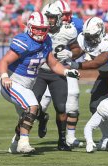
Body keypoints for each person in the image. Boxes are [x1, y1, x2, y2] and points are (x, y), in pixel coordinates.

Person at [0, 11, 79, 153]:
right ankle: (23, 143)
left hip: (27, 85)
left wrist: (67, 72)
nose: (41, 32)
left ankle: (15, 144)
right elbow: (3, 61)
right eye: (37, 29)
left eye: (43, 29)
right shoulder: (23, 41)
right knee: (33, 106)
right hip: (13, 82)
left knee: (28, 116)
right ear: (30, 27)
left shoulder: (47, 41)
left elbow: (53, 64)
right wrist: (4, 76)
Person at [32, 3, 81, 151]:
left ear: (59, 18)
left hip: (58, 72)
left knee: (61, 107)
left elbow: (77, 49)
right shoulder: (37, 28)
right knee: (31, 104)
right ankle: (42, 118)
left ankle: (62, 140)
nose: (50, 20)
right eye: (48, 17)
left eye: (52, 17)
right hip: (40, 71)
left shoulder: (69, 30)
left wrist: (71, 54)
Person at [69, 17, 108, 114]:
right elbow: (77, 53)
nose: (90, 39)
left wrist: (74, 65)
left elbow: (97, 63)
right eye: (88, 37)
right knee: (94, 106)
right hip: (104, 76)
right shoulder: (83, 38)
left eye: (93, 36)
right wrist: (66, 57)